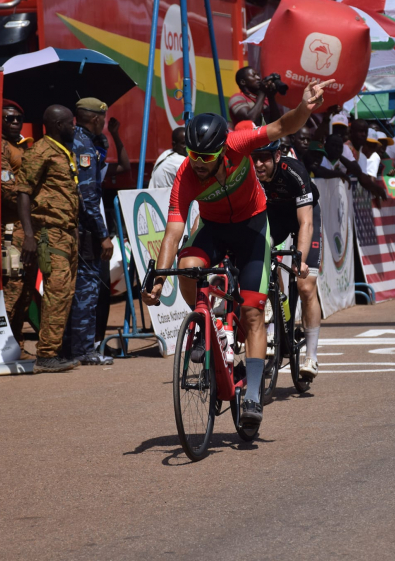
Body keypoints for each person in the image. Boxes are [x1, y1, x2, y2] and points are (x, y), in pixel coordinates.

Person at [142, 78, 335, 428]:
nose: (199, 164)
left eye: (207, 158)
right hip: (214, 228)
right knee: (188, 267)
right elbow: (173, 232)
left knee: (251, 313)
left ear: (222, 150)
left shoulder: (238, 143)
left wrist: (305, 108)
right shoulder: (186, 176)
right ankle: (204, 325)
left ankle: (252, 395)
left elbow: (280, 126)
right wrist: (157, 277)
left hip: (252, 228)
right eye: (193, 156)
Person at [62, 98, 128, 366]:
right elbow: (88, 199)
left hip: (81, 225)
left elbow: (103, 160)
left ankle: (74, 347)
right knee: (87, 290)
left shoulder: (84, 140)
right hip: (86, 228)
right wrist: (103, 235)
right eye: (103, 117)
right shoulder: (82, 146)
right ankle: (83, 350)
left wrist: (110, 135)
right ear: (96, 119)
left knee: (82, 288)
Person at [16, 105, 81, 374]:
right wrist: (29, 235)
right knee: (56, 290)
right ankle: (46, 355)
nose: (73, 127)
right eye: (69, 123)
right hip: (47, 232)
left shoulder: (64, 151)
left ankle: (53, 350)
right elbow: (23, 193)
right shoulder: (41, 151)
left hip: (67, 232)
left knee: (65, 292)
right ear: (55, 125)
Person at [251, 140, 323, 377]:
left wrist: (299, 260)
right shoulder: (250, 173)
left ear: (277, 156)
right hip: (276, 217)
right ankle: (277, 321)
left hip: (304, 216)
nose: (259, 164)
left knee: (305, 285)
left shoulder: (294, 172)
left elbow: (306, 223)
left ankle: (311, 356)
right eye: (255, 158)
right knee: (260, 261)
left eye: (265, 158)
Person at [0, 99, 37, 358]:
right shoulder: (0, 147)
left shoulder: (22, 146)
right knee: (12, 287)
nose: (14, 122)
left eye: (17, 119)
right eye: (8, 118)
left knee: (25, 292)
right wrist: (39, 200)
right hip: (12, 229)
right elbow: (9, 191)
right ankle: (2, 348)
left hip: (29, 229)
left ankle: (18, 346)